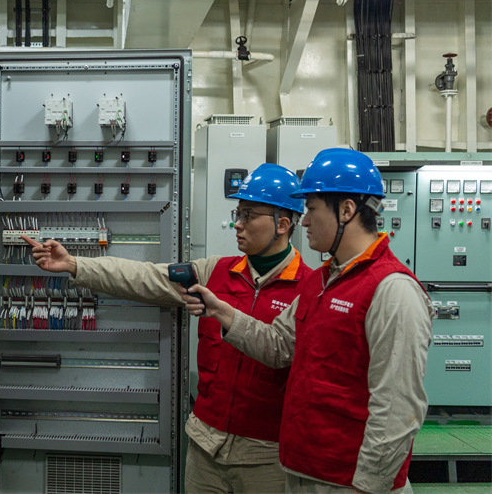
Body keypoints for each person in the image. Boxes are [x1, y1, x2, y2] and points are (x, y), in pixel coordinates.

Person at [24, 163, 314, 494]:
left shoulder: (309, 289)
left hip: (267, 457)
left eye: (248, 214)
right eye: (238, 212)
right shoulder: (215, 272)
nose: (237, 223)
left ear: (283, 224)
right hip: (205, 446)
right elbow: (143, 277)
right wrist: (76, 264)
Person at [182, 149, 433, 494]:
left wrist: (368, 486)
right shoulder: (320, 282)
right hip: (304, 471)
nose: (305, 220)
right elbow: (278, 345)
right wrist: (221, 310)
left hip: (350, 482)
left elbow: (398, 409)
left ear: (346, 210)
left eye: (312, 209)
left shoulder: (391, 289)